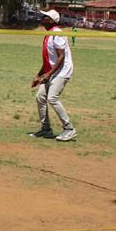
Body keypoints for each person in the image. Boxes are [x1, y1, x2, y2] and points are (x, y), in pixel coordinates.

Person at [29, 9, 77, 141]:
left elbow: (61, 57)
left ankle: (69, 128)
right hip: (52, 71)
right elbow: (48, 60)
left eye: (45, 17)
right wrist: (39, 76)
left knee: (52, 98)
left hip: (62, 71)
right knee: (40, 96)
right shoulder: (48, 34)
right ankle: (46, 129)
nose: (42, 18)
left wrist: (49, 74)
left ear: (51, 21)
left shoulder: (57, 33)